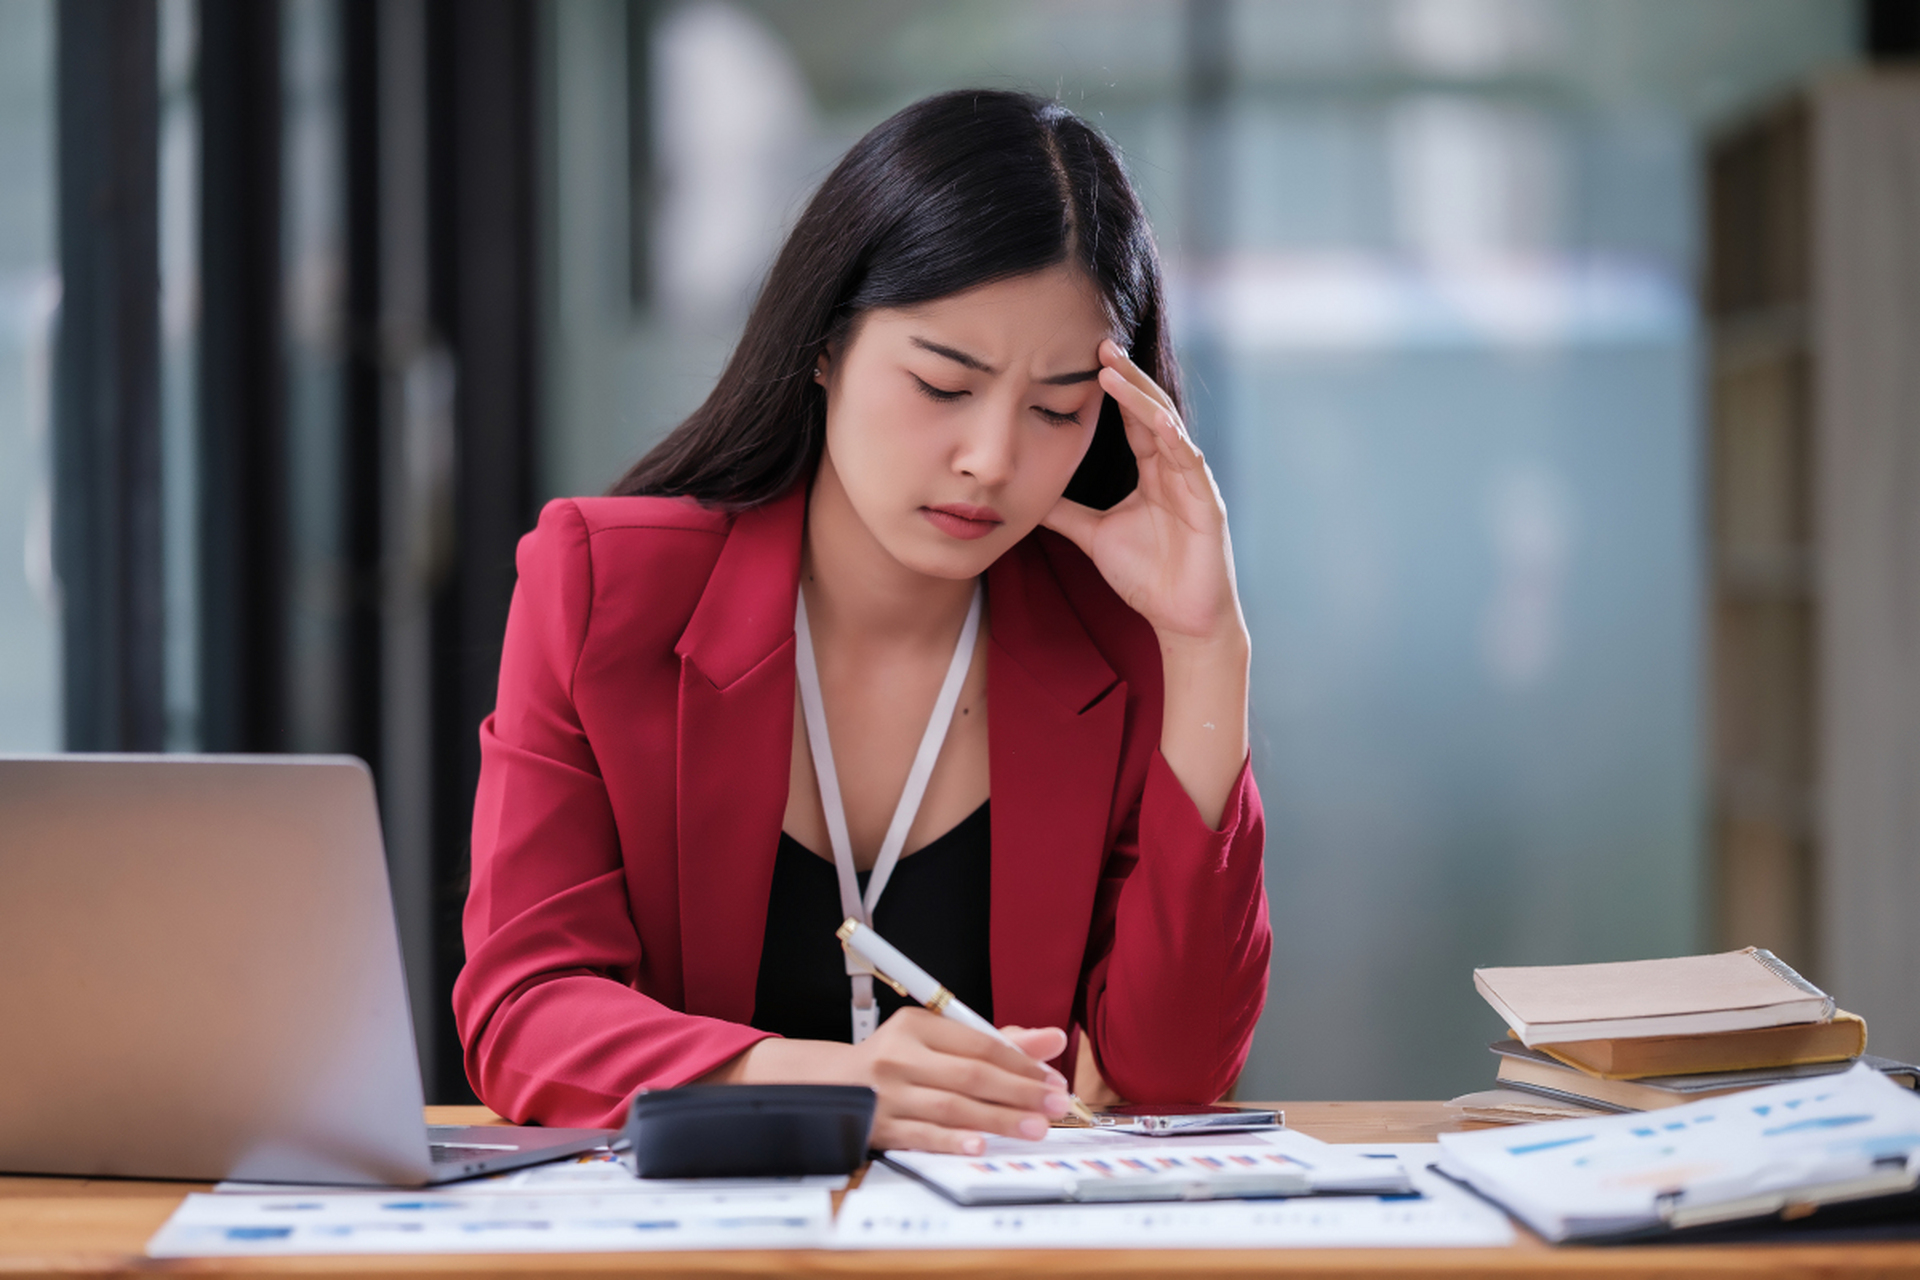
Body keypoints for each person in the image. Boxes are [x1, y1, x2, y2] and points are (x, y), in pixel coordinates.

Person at [454, 89, 1270, 1155]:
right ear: (828, 344)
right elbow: (524, 1010)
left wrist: (1207, 650)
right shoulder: (606, 587)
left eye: (1057, 408)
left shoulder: (1120, 633)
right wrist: (831, 1083)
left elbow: (1173, 1073)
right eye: (943, 384)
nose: (990, 458)